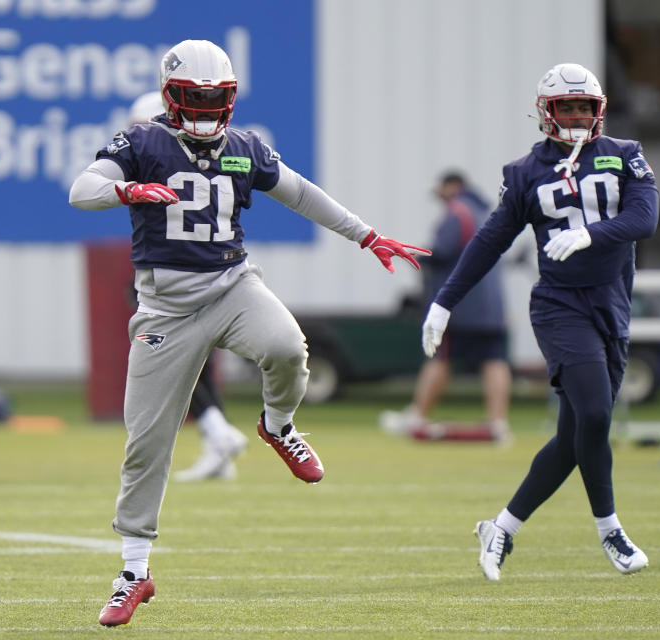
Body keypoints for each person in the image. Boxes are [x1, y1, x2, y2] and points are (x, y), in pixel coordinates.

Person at [69, 39, 428, 626]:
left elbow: (302, 194)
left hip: (232, 285)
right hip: (164, 306)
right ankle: (134, 571)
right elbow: (81, 189)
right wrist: (126, 190)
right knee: (146, 443)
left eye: (217, 98)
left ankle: (278, 426)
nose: (208, 109)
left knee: (287, 347)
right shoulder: (142, 140)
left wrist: (366, 235)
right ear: (171, 98)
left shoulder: (245, 149)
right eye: (196, 98)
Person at [421, 63, 658, 581]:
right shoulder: (525, 172)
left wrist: (594, 235)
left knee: (577, 435)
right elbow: (489, 242)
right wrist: (444, 301)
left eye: (583, 107)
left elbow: (645, 219)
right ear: (546, 112)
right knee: (594, 415)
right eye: (565, 107)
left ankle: (501, 527)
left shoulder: (625, 156)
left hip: (611, 305)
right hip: (559, 305)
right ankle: (611, 531)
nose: (575, 116)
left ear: (599, 110)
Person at [129, 91, 248, 483]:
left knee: (173, 363)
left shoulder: (158, 153)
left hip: (173, 274)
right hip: (216, 269)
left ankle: (217, 431)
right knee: (196, 362)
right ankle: (218, 445)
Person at [380, 171, 512, 442]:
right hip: (490, 304)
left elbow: (442, 251)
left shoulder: (457, 212)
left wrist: (409, 254)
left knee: (440, 357)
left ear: (453, 186)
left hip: (462, 303)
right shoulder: (483, 213)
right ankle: (498, 422)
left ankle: (418, 415)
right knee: (494, 360)